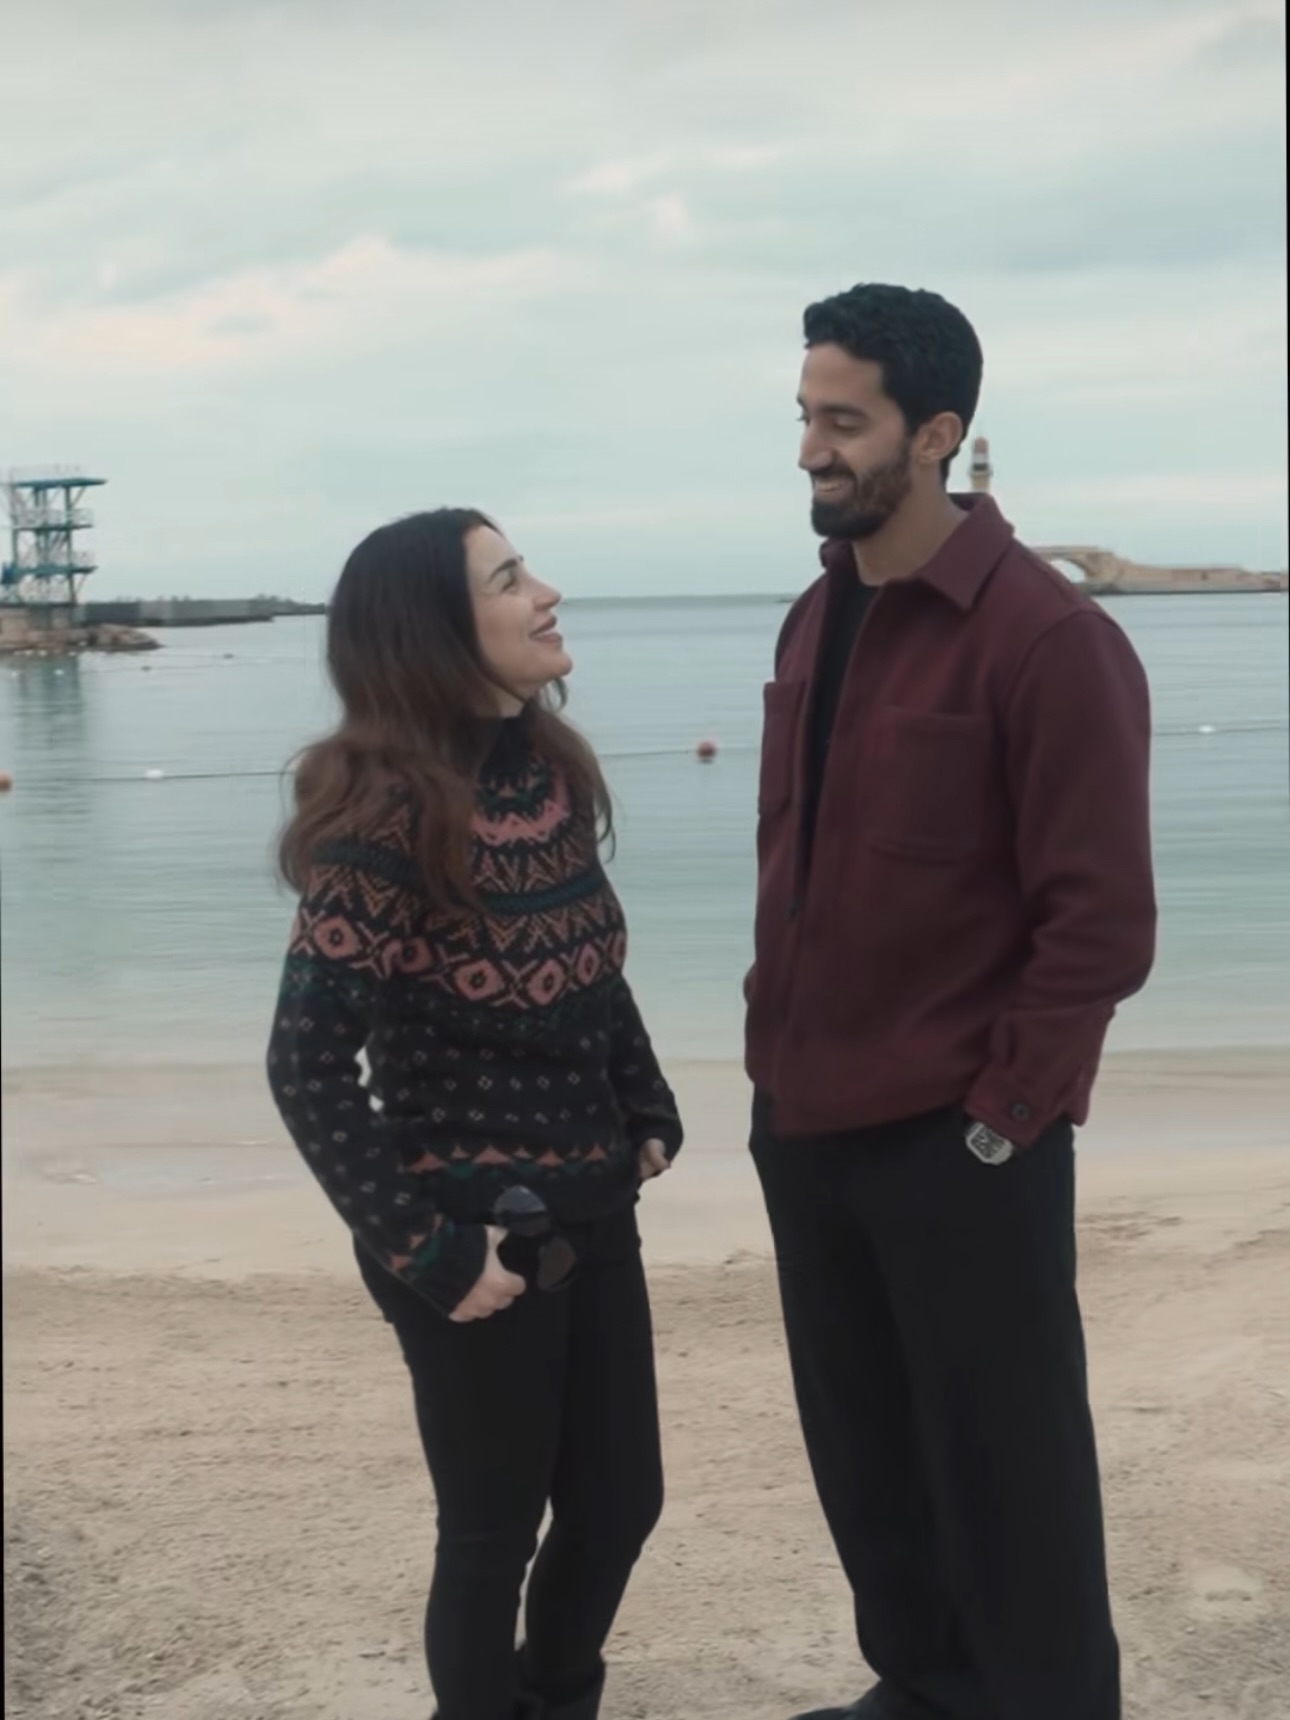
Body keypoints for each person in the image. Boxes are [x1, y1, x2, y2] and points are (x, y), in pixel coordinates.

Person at [745, 284, 1156, 1720]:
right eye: (806, 415)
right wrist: (769, 1083)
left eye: (843, 421)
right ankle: (922, 1688)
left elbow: (1099, 925)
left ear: (936, 434)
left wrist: (1003, 1120)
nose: (812, 449)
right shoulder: (813, 620)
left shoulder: (1048, 639)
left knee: (1009, 1470)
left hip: (961, 1139)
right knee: (865, 1453)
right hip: (806, 1123)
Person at [267, 509, 682, 1720]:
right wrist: (428, 1250)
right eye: (509, 579)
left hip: (594, 1206)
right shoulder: (382, 816)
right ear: (437, 632)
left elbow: (591, 966)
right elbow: (305, 1064)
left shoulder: (550, 773)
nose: (546, 592)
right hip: (470, 1237)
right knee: (493, 1530)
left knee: (620, 1504)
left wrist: (643, 1096)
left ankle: (557, 1698)